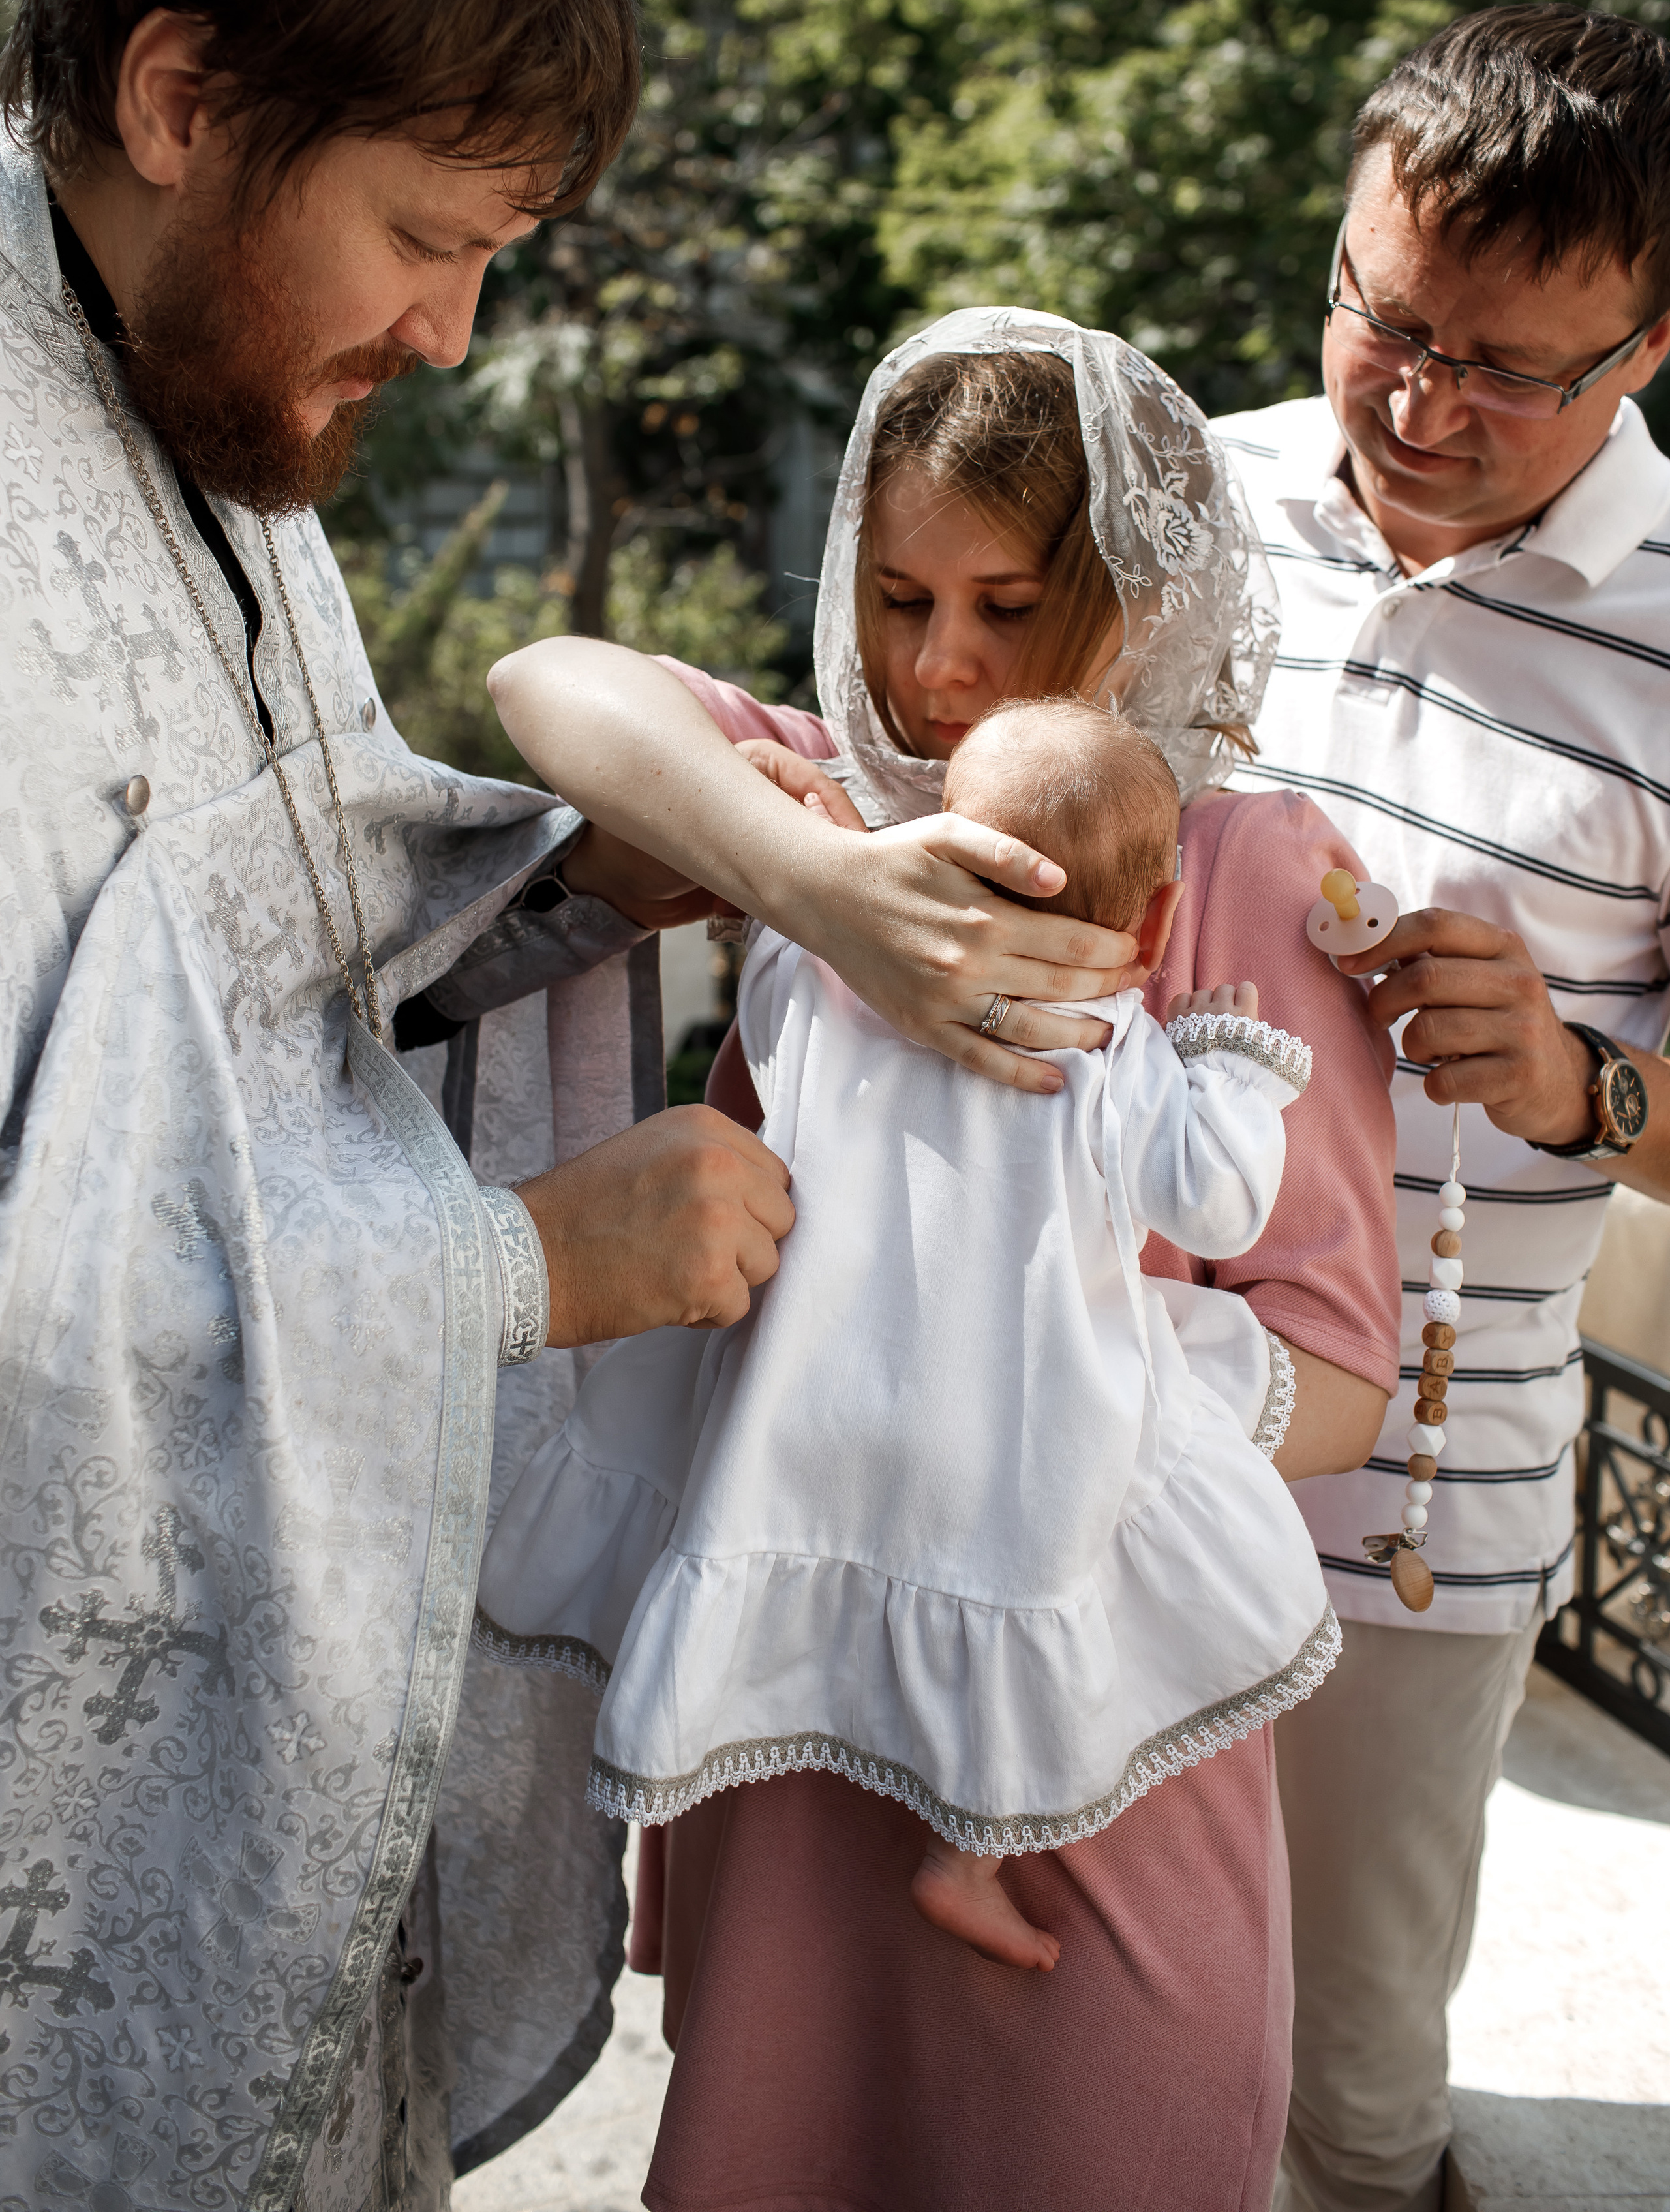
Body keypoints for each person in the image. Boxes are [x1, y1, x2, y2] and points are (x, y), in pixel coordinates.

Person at [0, 0, 1145, 2205]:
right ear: (184, 97)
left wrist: (577, 897)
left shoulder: (190, 397)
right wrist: (512, 1269)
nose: (452, 330)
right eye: (431, 232)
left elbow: (252, 985)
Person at [486, 308, 1403, 2211]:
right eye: (897, 598)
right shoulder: (827, 805)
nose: (934, 667)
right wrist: (815, 884)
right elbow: (544, 679)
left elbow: (1339, 1369)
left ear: (1131, 603)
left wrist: (1026, 1384)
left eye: (1004, 605)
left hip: (1089, 1748)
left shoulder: (1234, 870)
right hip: (801, 1707)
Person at [474, 696, 1335, 1976]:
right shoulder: (1114, 1051)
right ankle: (963, 1860)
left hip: (818, 1399)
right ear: (1153, 924)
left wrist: (817, 849)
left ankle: (696, 1742)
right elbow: (1214, 1201)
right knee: (1015, 1589)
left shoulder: (835, 987)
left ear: (933, 854)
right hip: (1009, 1430)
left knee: (769, 1546)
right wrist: (1232, 1069)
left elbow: (783, 969)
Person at [1208, 3, 1670, 2212]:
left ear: (1651, 349)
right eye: (1383, 320)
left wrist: (1579, 1079)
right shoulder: (1180, 496)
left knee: (1346, 2095)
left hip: (1420, 1521)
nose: (1414, 403)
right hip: (1086, 1453)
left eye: (1504, 368)